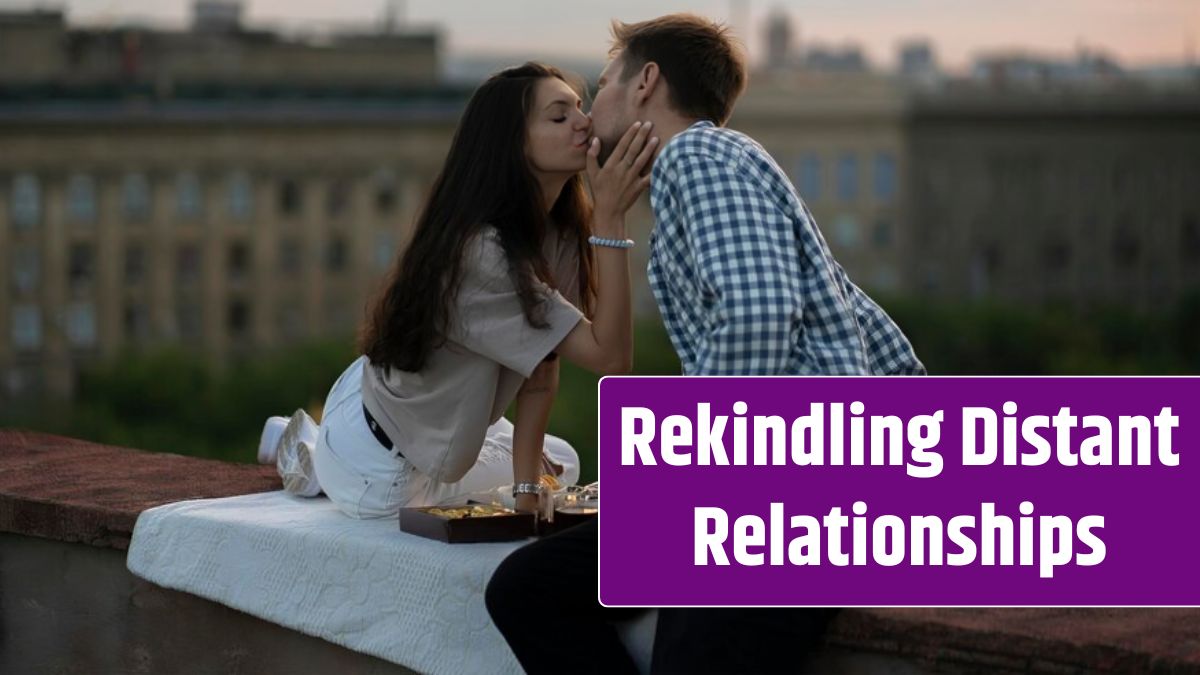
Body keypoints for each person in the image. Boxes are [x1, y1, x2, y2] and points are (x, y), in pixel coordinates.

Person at [486, 15, 925, 674]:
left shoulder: (699, 156)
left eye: (603, 83)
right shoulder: (707, 169)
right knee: (527, 589)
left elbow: (758, 314)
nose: (589, 109)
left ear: (646, 84)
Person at [258, 62, 657, 518]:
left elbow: (542, 370)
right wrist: (612, 219)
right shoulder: (482, 253)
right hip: (381, 465)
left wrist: (528, 492)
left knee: (560, 464)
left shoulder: (558, 232)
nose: (583, 123)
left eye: (580, 109)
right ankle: (314, 459)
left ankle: (314, 441)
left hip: (414, 404)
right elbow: (610, 357)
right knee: (543, 477)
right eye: (559, 116)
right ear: (513, 143)